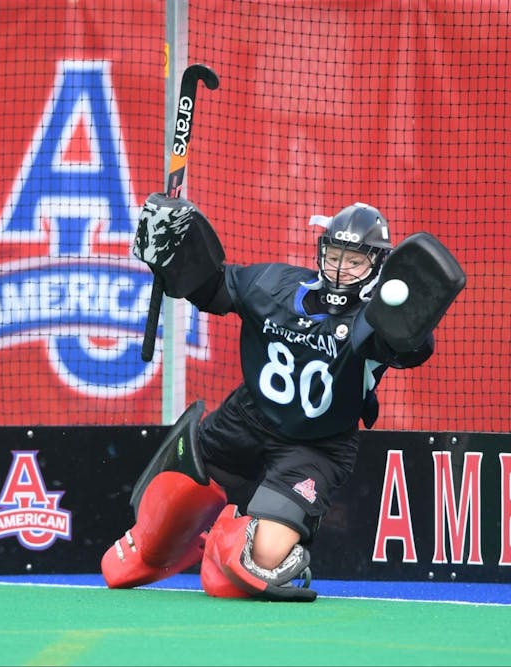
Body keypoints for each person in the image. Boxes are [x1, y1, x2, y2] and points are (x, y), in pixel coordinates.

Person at [102, 196, 437, 602]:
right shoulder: (275, 284)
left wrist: (412, 312)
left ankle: (233, 541)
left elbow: (412, 347)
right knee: (156, 529)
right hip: (245, 418)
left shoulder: (379, 320)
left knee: (243, 571)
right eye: (335, 256)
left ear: (377, 265)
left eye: (354, 261)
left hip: (316, 448)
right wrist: (173, 254)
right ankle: (202, 540)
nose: (340, 268)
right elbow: (211, 286)